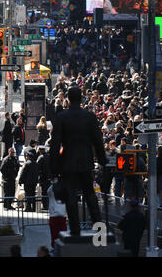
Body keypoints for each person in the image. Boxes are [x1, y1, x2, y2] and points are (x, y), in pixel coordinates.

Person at [49, 86, 107, 236]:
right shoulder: (90, 116)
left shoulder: (62, 117)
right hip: (86, 160)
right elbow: (98, 141)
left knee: (71, 196)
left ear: (68, 99)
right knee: (90, 195)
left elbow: (55, 144)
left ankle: (75, 230)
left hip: (68, 161)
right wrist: (102, 159)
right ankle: (99, 231)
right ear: (81, 98)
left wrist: (54, 168)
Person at [37, 145, 51, 210]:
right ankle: (47, 205)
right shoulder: (49, 157)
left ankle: (45, 206)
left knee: (44, 192)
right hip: (49, 178)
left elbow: (38, 168)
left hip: (43, 178)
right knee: (48, 192)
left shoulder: (40, 158)